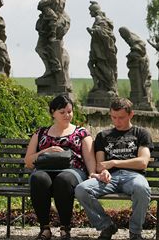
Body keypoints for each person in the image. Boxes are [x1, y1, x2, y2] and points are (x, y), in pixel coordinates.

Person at [75, 97, 153, 240]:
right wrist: (103, 172)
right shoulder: (103, 136)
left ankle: (135, 232)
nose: (117, 121)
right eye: (113, 117)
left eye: (121, 118)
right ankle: (106, 226)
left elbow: (142, 162)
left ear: (131, 114)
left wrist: (114, 163)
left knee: (141, 188)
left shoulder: (141, 134)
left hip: (133, 177)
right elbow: (100, 164)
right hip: (109, 179)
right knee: (81, 189)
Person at [24, 95, 97, 240]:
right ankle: (44, 228)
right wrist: (46, 151)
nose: (67, 115)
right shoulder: (41, 133)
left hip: (73, 171)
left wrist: (92, 174)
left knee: (63, 179)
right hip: (44, 169)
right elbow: (28, 161)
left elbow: (89, 157)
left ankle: (65, 227)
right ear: (53, 113)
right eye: (62, 112)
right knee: (38, 178)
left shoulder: (81, 133)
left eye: (69, 111)